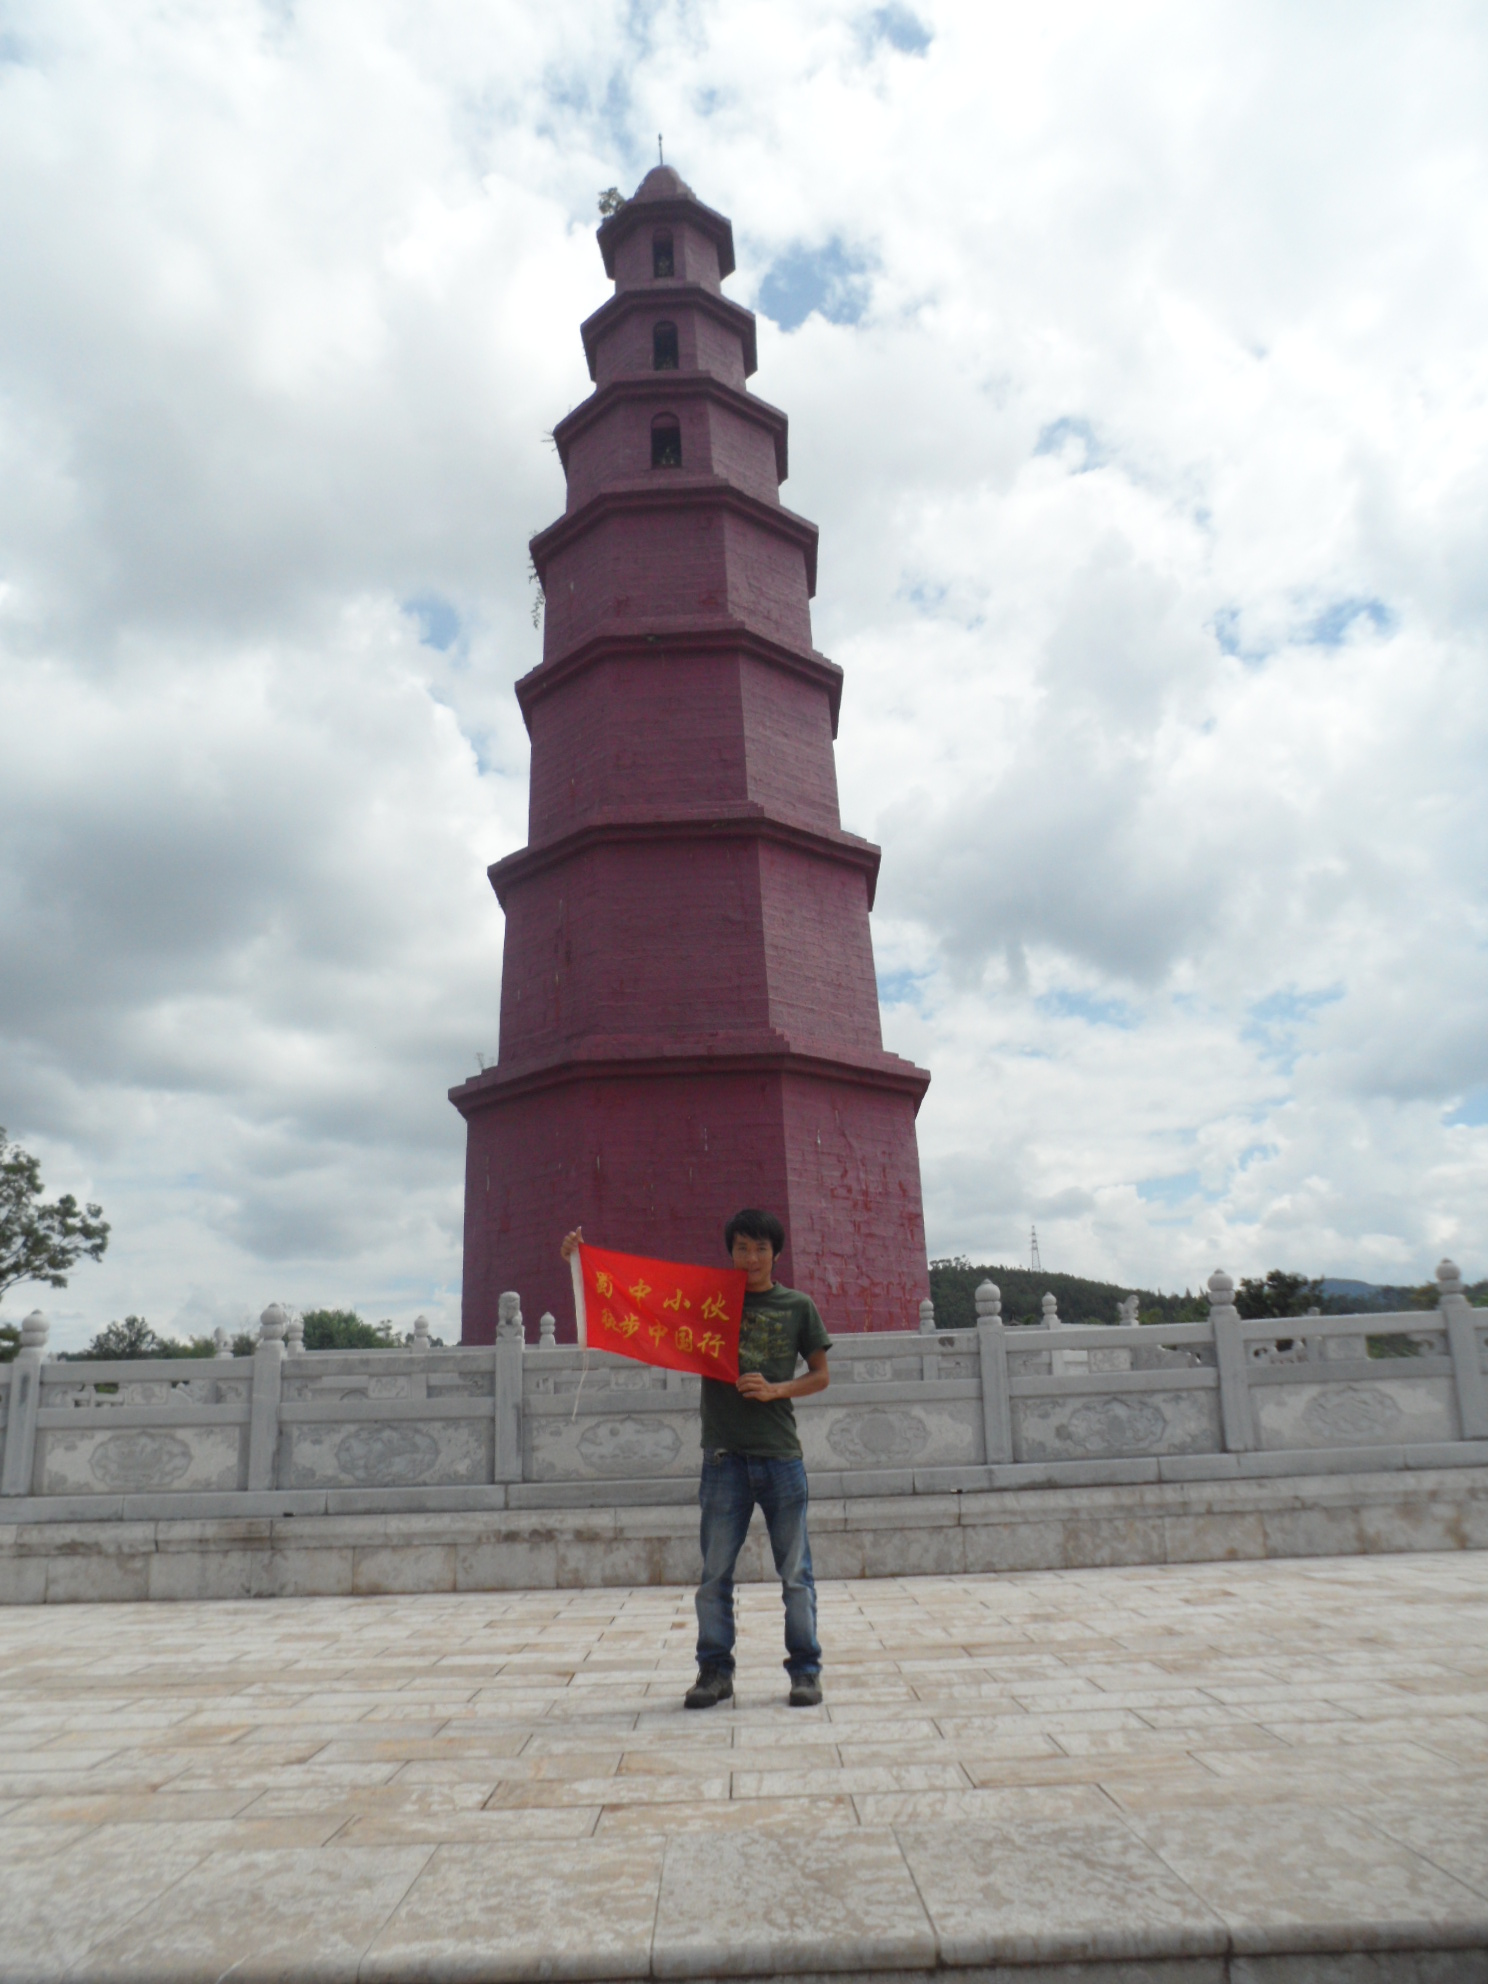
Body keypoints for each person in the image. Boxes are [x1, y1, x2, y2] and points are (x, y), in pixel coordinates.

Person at [559, 1209, 830, 1708]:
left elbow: (820, 1374)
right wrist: (581, 1262)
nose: (751, 1258)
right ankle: (714, 1671)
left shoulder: (798, 1306)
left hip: (780, 1457)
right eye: (742, 1248)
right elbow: (642, 1301)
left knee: (795, 1573)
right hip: (724, 1459)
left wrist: (776, 1389)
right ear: (730, 1252)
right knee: (714, 1575)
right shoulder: (709, 1303)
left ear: (776, 1253)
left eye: (761, 1249)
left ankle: (805, 1670)